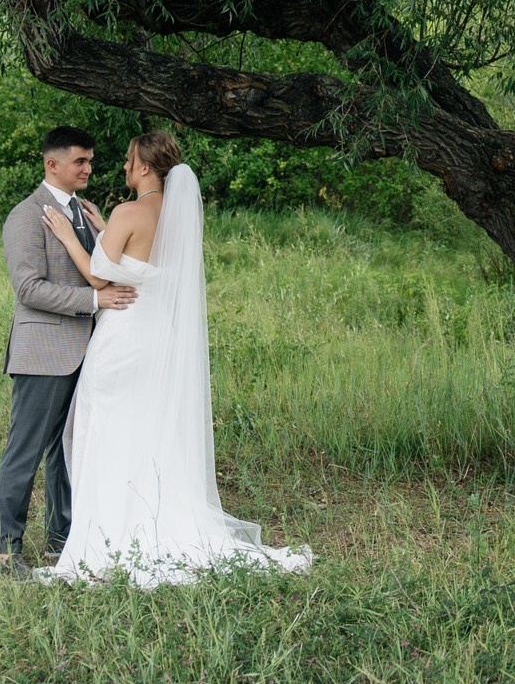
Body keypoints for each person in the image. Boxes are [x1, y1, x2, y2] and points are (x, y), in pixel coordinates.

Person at [39, 129, 311, 586]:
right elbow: (149, 259)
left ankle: (106, 530)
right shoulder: (178, 217)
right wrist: (107, 228)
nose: (124, 166)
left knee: (104, 427)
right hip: (156, 339)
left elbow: (100, 278)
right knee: (147, 429)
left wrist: (70, 235)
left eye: (128, 160)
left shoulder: (129, 211)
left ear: (145, 166)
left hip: (123, 338)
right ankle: (153, 517)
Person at [0, 125, 136, 576]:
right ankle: (7, 550)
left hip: (90, 352)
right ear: (52, 164)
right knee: (26, 449)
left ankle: (63, 538)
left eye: (91, 160)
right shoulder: (25, 215)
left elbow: (103, 267)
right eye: (80, 161)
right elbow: (30, 288)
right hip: (44, 351)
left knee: (69, 450)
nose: (89, 168)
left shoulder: (86, 211)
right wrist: (95, 301)